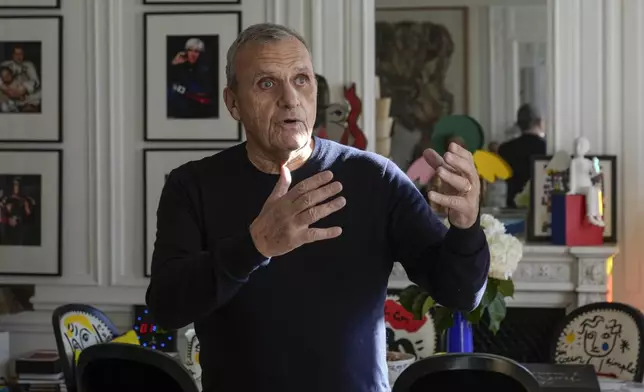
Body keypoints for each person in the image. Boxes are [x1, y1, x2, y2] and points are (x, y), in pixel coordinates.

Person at [146, 23, 490, 392]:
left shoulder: (376, 178)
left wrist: (466, 226)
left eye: (301, 80)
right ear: (233, 102)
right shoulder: (192, 185)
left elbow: (459, 294)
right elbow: (167, 307)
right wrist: (253, 247)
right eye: (266, 83)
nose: (290, 99)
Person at [498, 103, 547, 208]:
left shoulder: (505, 149)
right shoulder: (546, 148)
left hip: (512, 206)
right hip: (538, 206)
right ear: (540, 122)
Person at [167, 37, 216, 118]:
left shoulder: (204, 71)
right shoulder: (178, 67)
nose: (193, 54)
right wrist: (174, 63)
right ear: (186, 52)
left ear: (201, 54)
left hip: (196, 111)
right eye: (190, 50)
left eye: (196, 51)